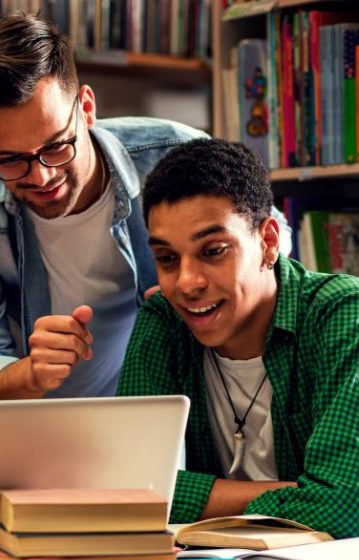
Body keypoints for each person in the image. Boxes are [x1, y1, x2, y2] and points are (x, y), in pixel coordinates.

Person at [0, 13, 290, 401]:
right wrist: (30, 373)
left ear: (86, 108)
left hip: (177, 413)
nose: (42, 177)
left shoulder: (173, 155)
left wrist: (203, 293)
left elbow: (272, 242)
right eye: (11, 160)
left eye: (56, 147)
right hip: (35, 429)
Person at [118, 138, 359, 538]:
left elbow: (342, 506)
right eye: (167, 258)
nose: (187, 283)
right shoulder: (163, 322)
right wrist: (290, 494)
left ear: (267, 241)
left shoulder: (343, 314)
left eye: (213, 251)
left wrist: (191, 497)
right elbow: (126, 489)